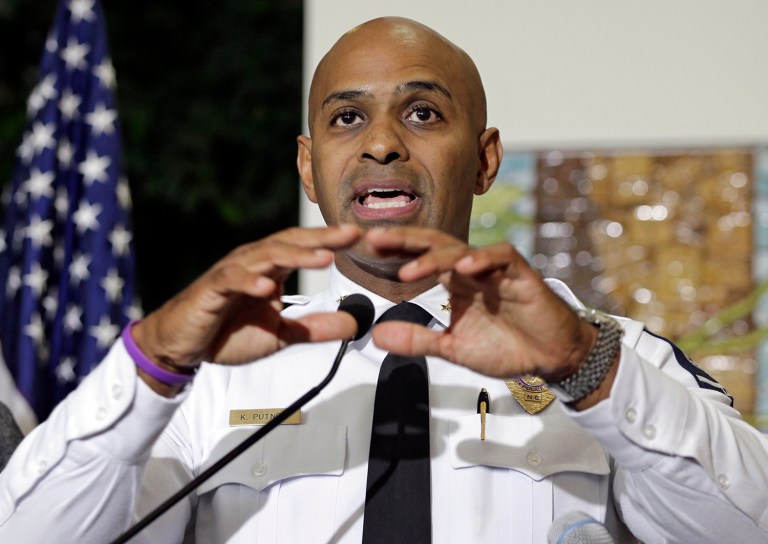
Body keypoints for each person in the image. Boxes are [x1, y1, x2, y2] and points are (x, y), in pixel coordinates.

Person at [1, 16, 767, 543]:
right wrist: (154, 362)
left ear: (485, 160)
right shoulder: (205, 372)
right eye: (347, 119)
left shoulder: (610, 358)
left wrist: (584, 368)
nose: (382, 145)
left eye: (424, 113)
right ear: (308, 167)